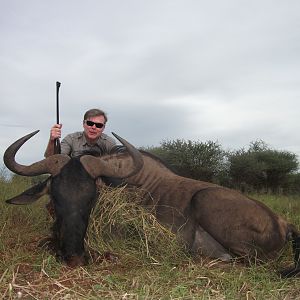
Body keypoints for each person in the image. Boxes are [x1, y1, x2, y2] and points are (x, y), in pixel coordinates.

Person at [45, 108, 116, 158]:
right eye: (90, 123)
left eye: (99, 125)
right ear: (83, 124)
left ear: (103, 128)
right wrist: (52, 140)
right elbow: (53, 160)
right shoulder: (71, 139)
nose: (93, 127)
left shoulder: (109, 143)